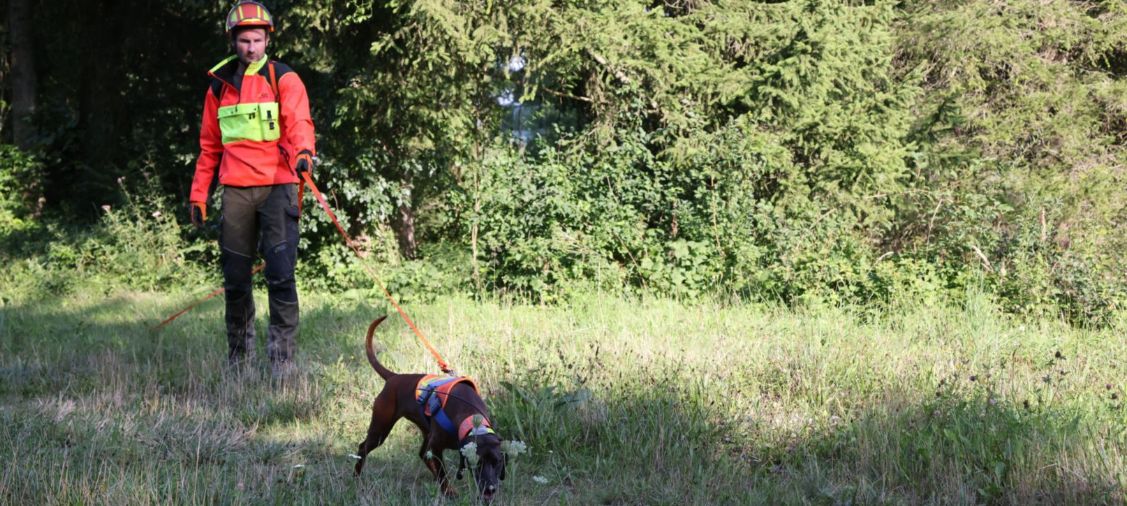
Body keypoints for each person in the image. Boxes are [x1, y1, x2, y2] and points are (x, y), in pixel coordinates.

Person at [189, 1, 316, 377]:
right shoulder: (219, 86)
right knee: (236, 281)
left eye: (257, 40)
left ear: (267, 40)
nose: (251, 47)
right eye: (244, 40)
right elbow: (209, 147)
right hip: (236, 191)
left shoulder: (283, 78)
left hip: (278, 187)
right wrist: (198, 195)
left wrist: (304, 153)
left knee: (280, 275)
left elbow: (299, 123)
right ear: (234, 41)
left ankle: (282, 364)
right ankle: (239, 364)